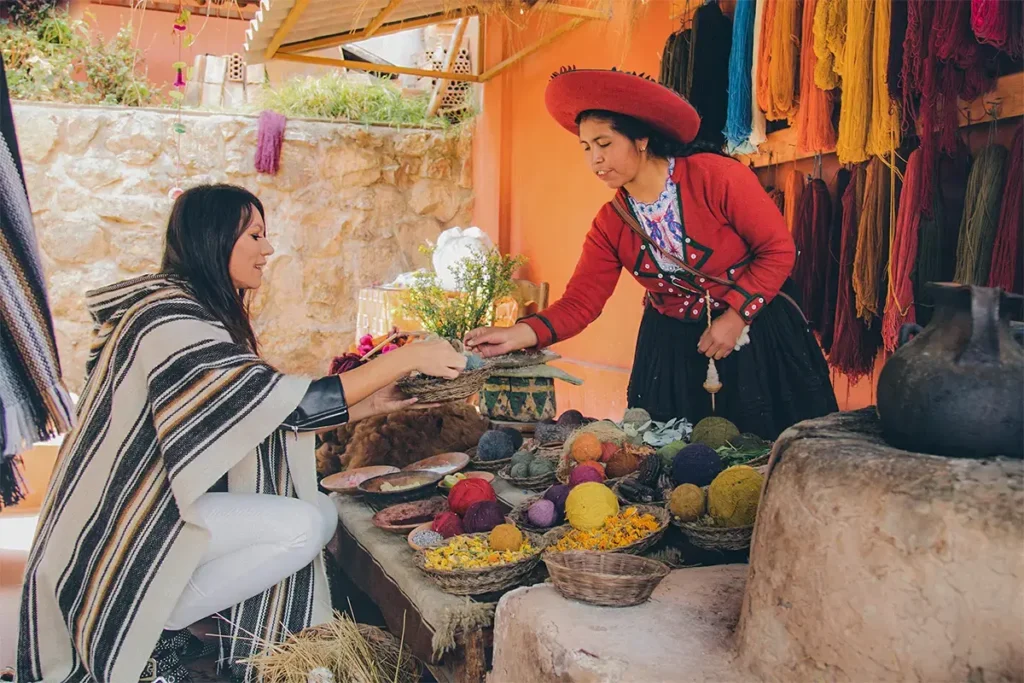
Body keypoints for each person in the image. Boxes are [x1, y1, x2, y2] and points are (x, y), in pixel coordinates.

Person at [17, 184, 467, 683]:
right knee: (298, 526)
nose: (267, 249)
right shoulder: (167, 319)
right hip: (126, 518)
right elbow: (277, 398)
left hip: (155, 506)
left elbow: (258, 414)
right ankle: (155, 626)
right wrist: (406, 357)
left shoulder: (182, 310)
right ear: (215, 238)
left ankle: (170, 621)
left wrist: (371, 403)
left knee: (317, 511)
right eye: (255, 234)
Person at [465, 68, 837, 438]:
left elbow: (777, 250)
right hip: (673, 354)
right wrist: (517, 335)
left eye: (604, 143)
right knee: (674, 467)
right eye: (586, 147)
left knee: (770, 455)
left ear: (641, 139)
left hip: (757, 338)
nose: (594, 159)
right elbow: (581, 303)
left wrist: (737, 317)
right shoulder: (611, 223)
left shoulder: (717, 178)